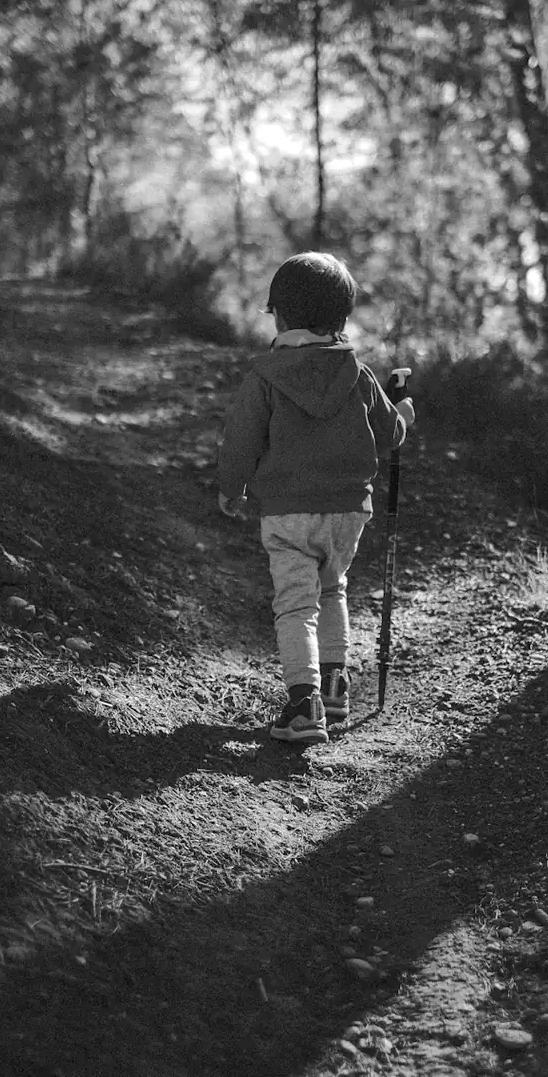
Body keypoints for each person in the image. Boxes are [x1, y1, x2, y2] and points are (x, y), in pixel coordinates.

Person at [218, 252, 415, 744]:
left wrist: (232, 487)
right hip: (348, 512)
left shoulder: (266, 377)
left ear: (279, 316)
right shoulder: (359, 375)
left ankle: (304, 704)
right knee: (332, 588)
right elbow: (389, 434)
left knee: (295, 605)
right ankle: (334, 685)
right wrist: (405, 415)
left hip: (287, 512)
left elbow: (242, 439)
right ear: (341, 319)